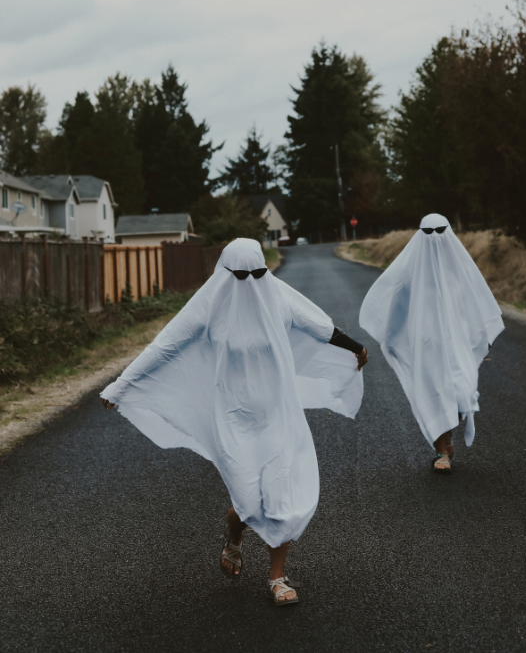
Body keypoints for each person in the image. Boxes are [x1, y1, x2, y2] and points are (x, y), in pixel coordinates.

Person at [101, 238, 368, 605]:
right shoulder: (208, 307)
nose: (250, 282)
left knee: (282, 496)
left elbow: (320, 327)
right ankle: (234, 538)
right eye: (242, 275)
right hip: (231, 419)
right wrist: (120, 386)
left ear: (265, 271)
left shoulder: (278, 297)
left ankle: (277, 577)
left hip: (278, 414)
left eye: (257, 274)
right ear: (225, 273)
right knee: (247, 502)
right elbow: (163, 347)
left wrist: (356, 347)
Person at [359, 213, 503, 472]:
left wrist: (482, 339)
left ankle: (448, 433)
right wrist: (392, 336)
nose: (434, 238)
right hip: (426, 349)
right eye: (428, 233)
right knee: (435, 393)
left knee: (462, 392)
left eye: (439, 231)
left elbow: (476, 305)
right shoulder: (409, 273)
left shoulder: (460, 270)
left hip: (457, 347)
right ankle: (441, 452)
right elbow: (395, 306)